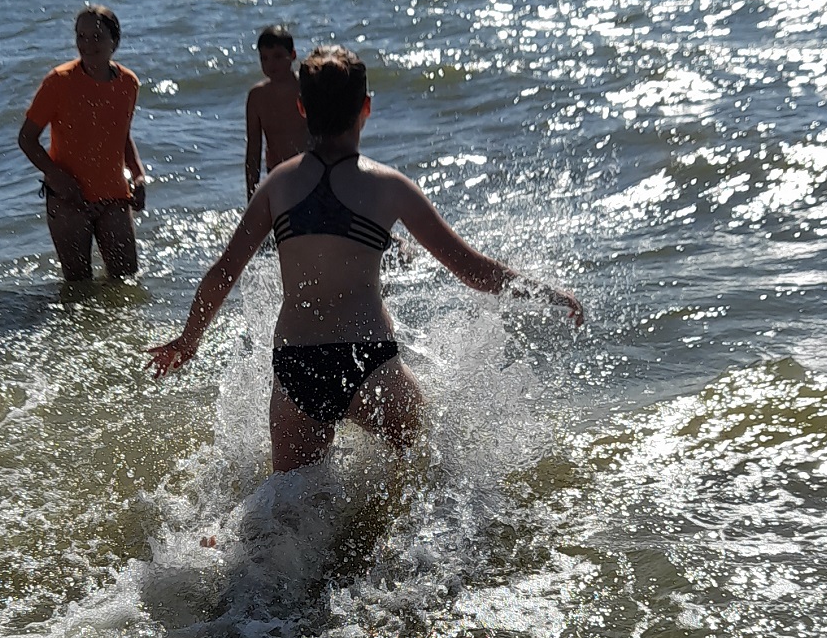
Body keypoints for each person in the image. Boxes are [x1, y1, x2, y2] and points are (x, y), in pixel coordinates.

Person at [147, 45, 581, 472]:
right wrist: (546, 292)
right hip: (369, 359)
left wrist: (188, 341)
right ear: (366, 108)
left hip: (297, 364)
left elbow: (224, 272)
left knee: (288, 504)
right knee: (424, 476)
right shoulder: (390, 186)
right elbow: (471, 269)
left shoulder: (277, 185)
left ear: (302, 108)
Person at [18, 5, 147, 282]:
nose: (87, 45)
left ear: (115, 41)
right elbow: (26, 138)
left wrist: (138, 175)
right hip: (69, 199)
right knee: (78, 287)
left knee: (127, 282)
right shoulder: (59, 81)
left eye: (97, 37)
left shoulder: (128, 83)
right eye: (81, 36)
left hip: (114, 196)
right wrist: (56, 177)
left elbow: (122, 135)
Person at [244, 25, 310, 202]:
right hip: (276, 173)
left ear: (293, 55)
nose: (271, 64)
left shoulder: (307, 88)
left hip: (310, 170)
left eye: (278, 56)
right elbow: (253, 148)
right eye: (264, 58)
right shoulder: (257, 97)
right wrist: (251, 193)